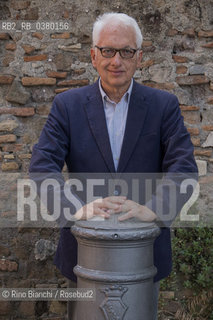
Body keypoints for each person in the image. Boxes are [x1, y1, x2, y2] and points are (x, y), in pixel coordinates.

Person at [29, 12, 198, 319]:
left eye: (126, 51)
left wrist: (155, 209)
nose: (116, 60)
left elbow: (184, 167)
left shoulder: (164, 106)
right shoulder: (67, 106)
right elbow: (42, 166)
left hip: (144, 252)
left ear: (139, 57)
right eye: (107, 50)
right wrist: (76, 209)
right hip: (83, 250)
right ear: (94, 56)